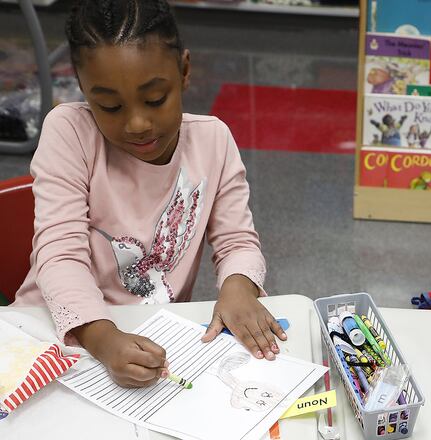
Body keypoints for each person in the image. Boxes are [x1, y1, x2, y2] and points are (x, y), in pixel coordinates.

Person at [12, 0, 286, 388]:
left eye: (155, 99)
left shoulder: (213, 140)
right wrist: (101, 337)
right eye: (109, 106)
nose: (137, 124)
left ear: (185, 71)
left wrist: (238, 286)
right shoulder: (69, 132)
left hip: (151, 337)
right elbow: (59, 255)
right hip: (54, 333)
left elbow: (237, 240)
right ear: (82, 87)